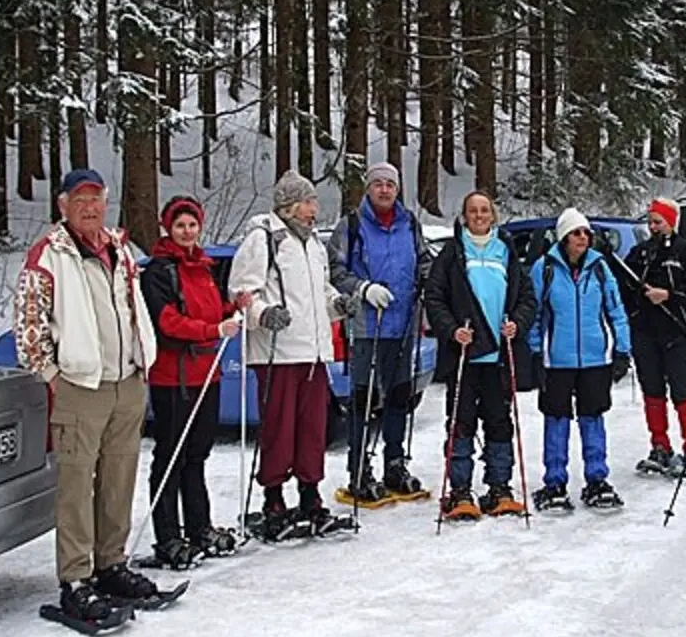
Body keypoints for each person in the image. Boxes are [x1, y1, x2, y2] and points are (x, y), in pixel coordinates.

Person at [13, 168, 161, 623]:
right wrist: (53, 375)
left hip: (127, 381)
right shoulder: (48, 256)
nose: (90, 207)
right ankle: (75, 579)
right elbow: (28, 323)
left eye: (96, 198)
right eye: (80, 199)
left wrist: (142, 360)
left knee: (118, 481)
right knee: (77, 487)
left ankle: (110, 564)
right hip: (81, 386)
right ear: (62, 205)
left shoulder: (119, 248)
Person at [228, 170, 358, 535]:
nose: (315, 209)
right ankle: (273, 497)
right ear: (290, 205)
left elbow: (321, 292)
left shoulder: (314, 243)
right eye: (309, 202)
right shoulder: (263, 238)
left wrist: (339, 304)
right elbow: (241, 291)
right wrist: (262, 314)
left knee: (313, 428)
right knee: (279, 428)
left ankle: (310, 493)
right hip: (278, 351)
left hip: (315, 352)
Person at [139, 195, 249, 567]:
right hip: (175, 377)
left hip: (207, 374)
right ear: (168, 228)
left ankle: (198, 525)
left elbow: (213, 308)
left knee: (198, 455)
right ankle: (167, 535)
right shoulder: (159, 271)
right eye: (180, 225)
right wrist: (214, 328)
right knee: (170, 456)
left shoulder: (204, 268)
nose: (186, 231)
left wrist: (234, 308)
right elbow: (167, 321)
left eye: (192, 225)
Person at [423, 191, 537, 519]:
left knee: (500, 422)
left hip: (500, 355)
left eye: (484, 210)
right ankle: (460, 491)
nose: (479, 215)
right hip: (464, 354)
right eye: (473, 210)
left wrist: (518, 323)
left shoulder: (506, 250)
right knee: (461, 424)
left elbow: (526, 297)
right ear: (464, 215)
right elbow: (435, 297)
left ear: (493, 215)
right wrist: (451, 330)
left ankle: (499, 487)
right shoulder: (452, 251)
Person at [326, 161, 433, 504]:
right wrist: (363, 288)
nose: (384, 190)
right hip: (366, 327)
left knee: (400, 398)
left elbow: (424, 259)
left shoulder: (409, 223)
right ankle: (359, 469)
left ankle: (395, 463)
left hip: (403, 325)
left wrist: (430, 280)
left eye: (390, 184)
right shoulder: (352, 225)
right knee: (363, 401)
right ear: (368, 189)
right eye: (378, 184)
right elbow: (335, 270)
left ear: (397, 189)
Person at [527, 208, 633, 511]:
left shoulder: (600, 267)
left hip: (594, 359)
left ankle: (597, 478)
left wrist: (622, 350)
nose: (582, 238)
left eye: (586, 232)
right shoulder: (544, 268)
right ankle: (555, 481)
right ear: (563, 236)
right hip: (556, 360)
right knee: (557, 419)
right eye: (576, 233)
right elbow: (534, 314)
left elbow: (616, 310)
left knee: (593, 417)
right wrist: (535, 352)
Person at [620, 197, 686, 480]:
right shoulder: (639, 253)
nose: (653, 226)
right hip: (646, 332)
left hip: (677, 332)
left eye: (658, 221)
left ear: (672, 222)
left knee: (683, 390)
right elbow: (624, 286)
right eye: (650, 221)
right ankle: (660, 445)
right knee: (653, 390)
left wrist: (669, 296)